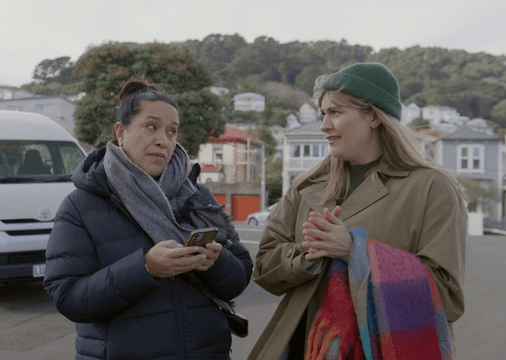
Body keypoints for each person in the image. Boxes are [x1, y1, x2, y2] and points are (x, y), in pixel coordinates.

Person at [248, 63, 466, 360]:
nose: (324, 125)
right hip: (303, 348)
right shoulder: (306, 187)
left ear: (374, 116)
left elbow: (447, 297)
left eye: (335, 113)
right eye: (323, 113)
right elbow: (264, 269)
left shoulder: (433, 188)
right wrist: (309, 254)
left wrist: (355, 251)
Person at [44, 76, 253, 360]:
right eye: (151, 127)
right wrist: (145, 268)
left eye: (171, 131)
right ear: (121, 132)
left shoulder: (196, 196)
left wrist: (216, 263)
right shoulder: (81, 205)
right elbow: (68, 297)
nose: (162, 140)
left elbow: (240, 276)